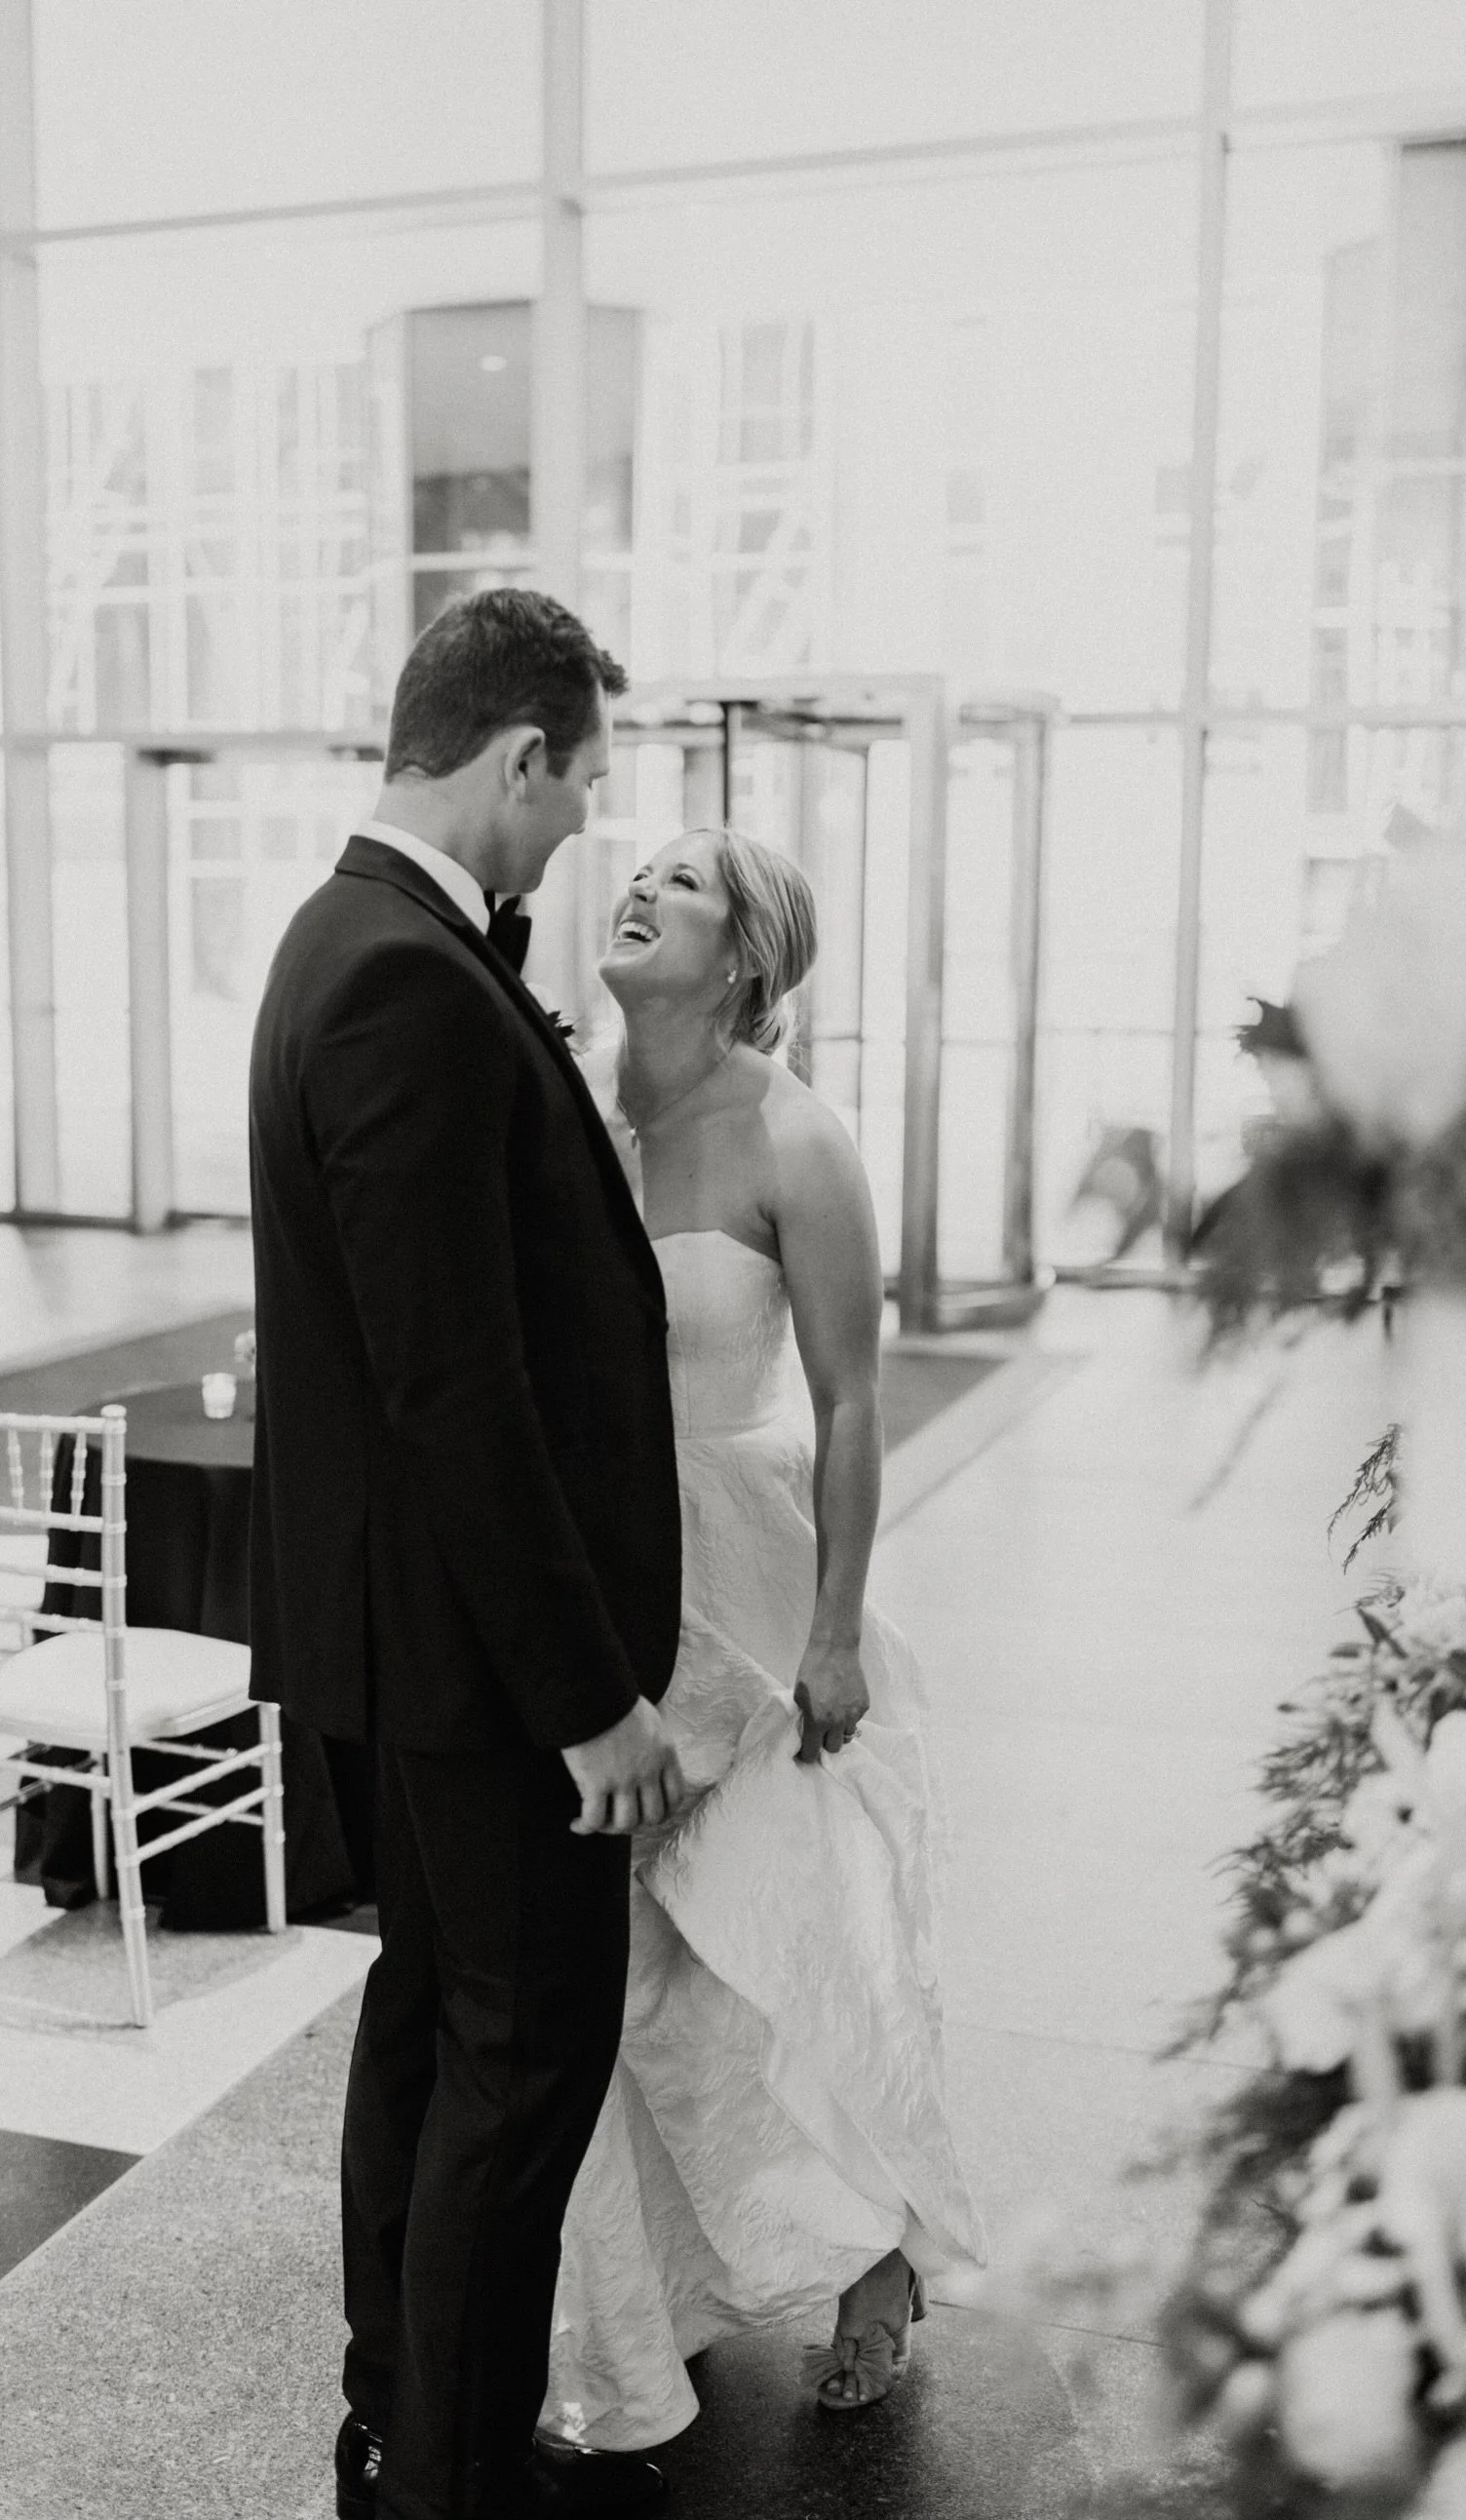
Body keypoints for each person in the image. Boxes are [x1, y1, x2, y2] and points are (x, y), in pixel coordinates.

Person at [247, 590, 690, 2520]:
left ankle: (392, 2410)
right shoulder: (406, 973)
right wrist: (589, 1694)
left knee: (432, 2020)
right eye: (577, 789)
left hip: (409, 1644)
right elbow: (456, 1379)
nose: (577, 831)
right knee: (525, 2072)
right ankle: (449, 2469)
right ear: (516, 756)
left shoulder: (355, 939)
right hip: (483, 1667)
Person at [543, 827, 984, 2447]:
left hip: (743, 1586)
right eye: (636, 866)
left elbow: (856, 1399)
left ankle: (873, 2257)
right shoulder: (569, 1105)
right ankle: (656, 2306)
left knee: (778, 1952)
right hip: (598, 1590)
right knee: (627, 1978)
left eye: (684, 882)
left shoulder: (797, 1136)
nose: (637, 888)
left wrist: (839, 1627)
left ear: (746, 952)